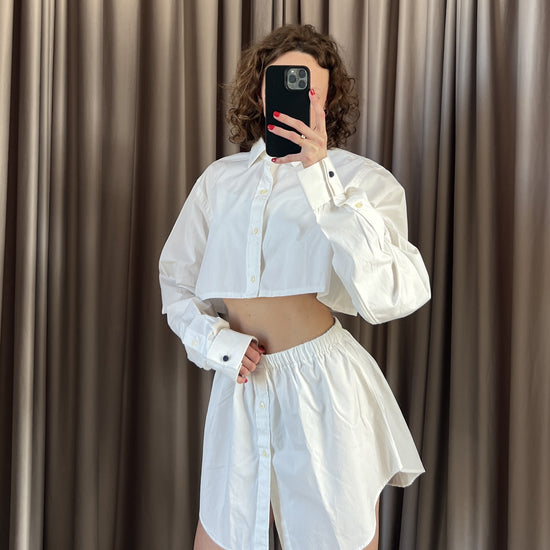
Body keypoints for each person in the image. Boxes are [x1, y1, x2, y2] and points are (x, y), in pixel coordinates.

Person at [159, 24, 430, 550]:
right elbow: (177, 280)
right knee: (222, 535)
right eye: (281, 81)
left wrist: (321, 176)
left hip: (326, 388)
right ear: (261, 91)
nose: (294, 96)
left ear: (327, 100)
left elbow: (395, 292)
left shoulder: (361, 180)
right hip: (239, 384)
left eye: (310, 88)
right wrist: (216, 344)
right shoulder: (220, 180)